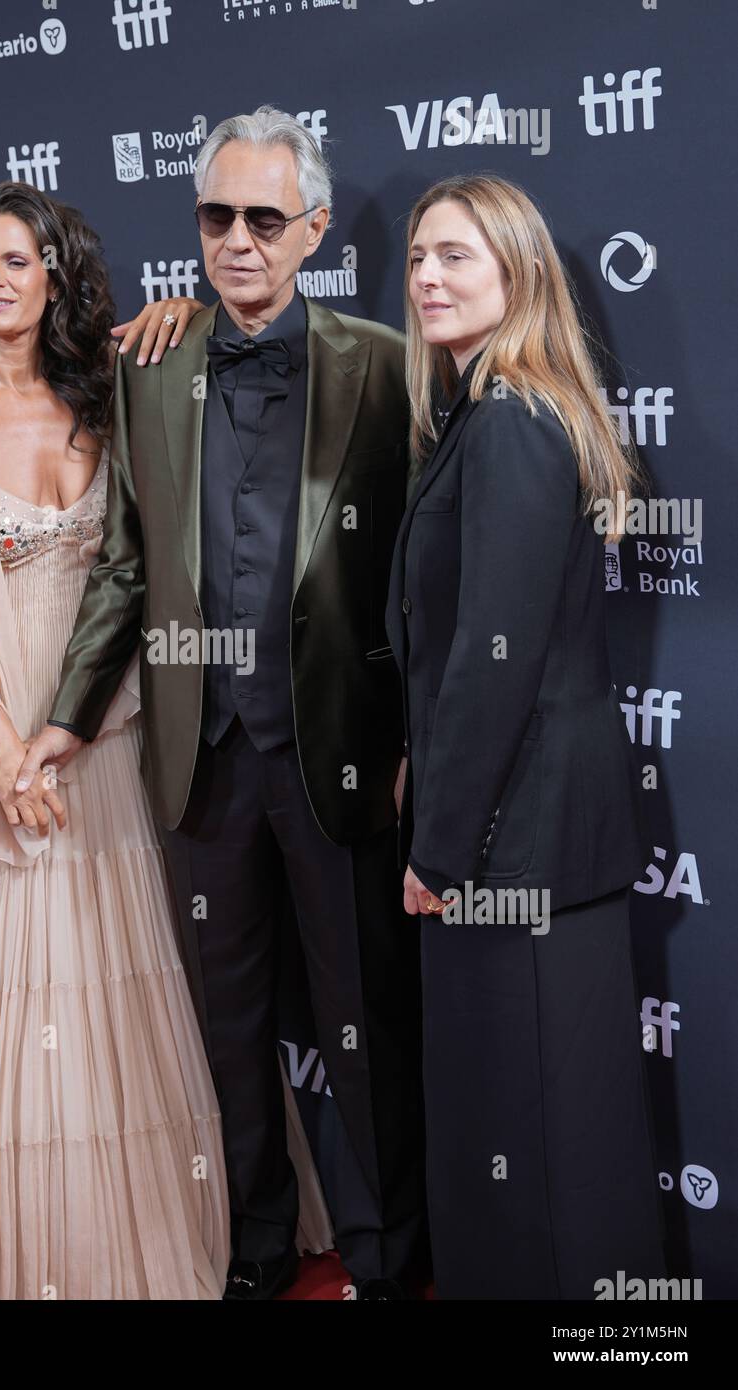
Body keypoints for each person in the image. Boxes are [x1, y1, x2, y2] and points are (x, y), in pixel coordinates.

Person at [0, 179, 331, 1299]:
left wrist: (62, 737)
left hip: (103, 728)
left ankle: (161, 1228)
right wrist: (6, 751)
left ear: (54, 277)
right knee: (12, 994)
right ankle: (24, 1255)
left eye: (16, 261)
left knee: (130, 983)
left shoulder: (114, 389)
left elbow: (133, 572)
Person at [18, 107, 429, 1301]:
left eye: (263, 217)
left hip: (336, 757)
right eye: (215, 216)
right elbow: (123, 563)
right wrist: (63, 714)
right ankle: (253, 1251)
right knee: (230, 1029)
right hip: (199, 761)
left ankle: (385, 1258)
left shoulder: (384, 363)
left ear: (309, 229)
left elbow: (417, 578)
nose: (236, 240)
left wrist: (406, 740)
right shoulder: (149, 364)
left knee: (362, 1025)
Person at [385, 173, 667, 1299]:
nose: (425, 277)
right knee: (554, 1141)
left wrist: (436, 846)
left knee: (528, 1144)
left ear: (516, 271)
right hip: (533, 836)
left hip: (510, 852)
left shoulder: (506, 425)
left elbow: (490, 666)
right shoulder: (497, 416)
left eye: (455, 255)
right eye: (415, 257)